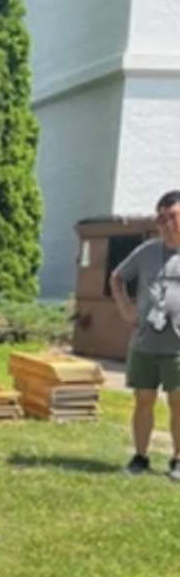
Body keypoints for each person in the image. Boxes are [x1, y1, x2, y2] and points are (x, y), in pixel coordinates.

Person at [110, 190, 180, 481]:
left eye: (172, 217)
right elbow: (117, 278)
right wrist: (127, 311)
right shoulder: (148, 251)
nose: (166, 224)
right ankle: (140, 456)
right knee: (143, 400)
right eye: (161, 218)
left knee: (178, 404)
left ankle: (177, 460)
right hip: (145, 344)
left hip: (177, 346)